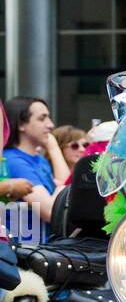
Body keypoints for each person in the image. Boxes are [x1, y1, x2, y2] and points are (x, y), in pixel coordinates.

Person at [2, 96, 68, 241]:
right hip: (26, 253)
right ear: (21, 124)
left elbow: (65, 188)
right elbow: (50, 211)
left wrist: (54, 148)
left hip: (42, 247)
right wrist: (60, 188)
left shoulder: (40, 160)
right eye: (42, 118)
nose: (50, 125)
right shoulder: (13, 161)